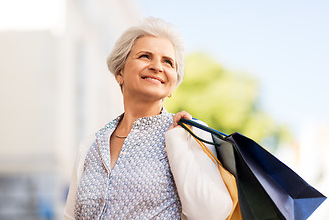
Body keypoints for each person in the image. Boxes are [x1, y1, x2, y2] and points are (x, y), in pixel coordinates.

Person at [64, 18, 232, 219]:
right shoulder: (90, 145)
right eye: (145, 56)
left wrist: (176, 143)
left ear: (173, 85)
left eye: (167, 62)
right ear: (120, 73)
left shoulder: (187, 133)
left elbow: (212, 214)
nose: (157, 67)